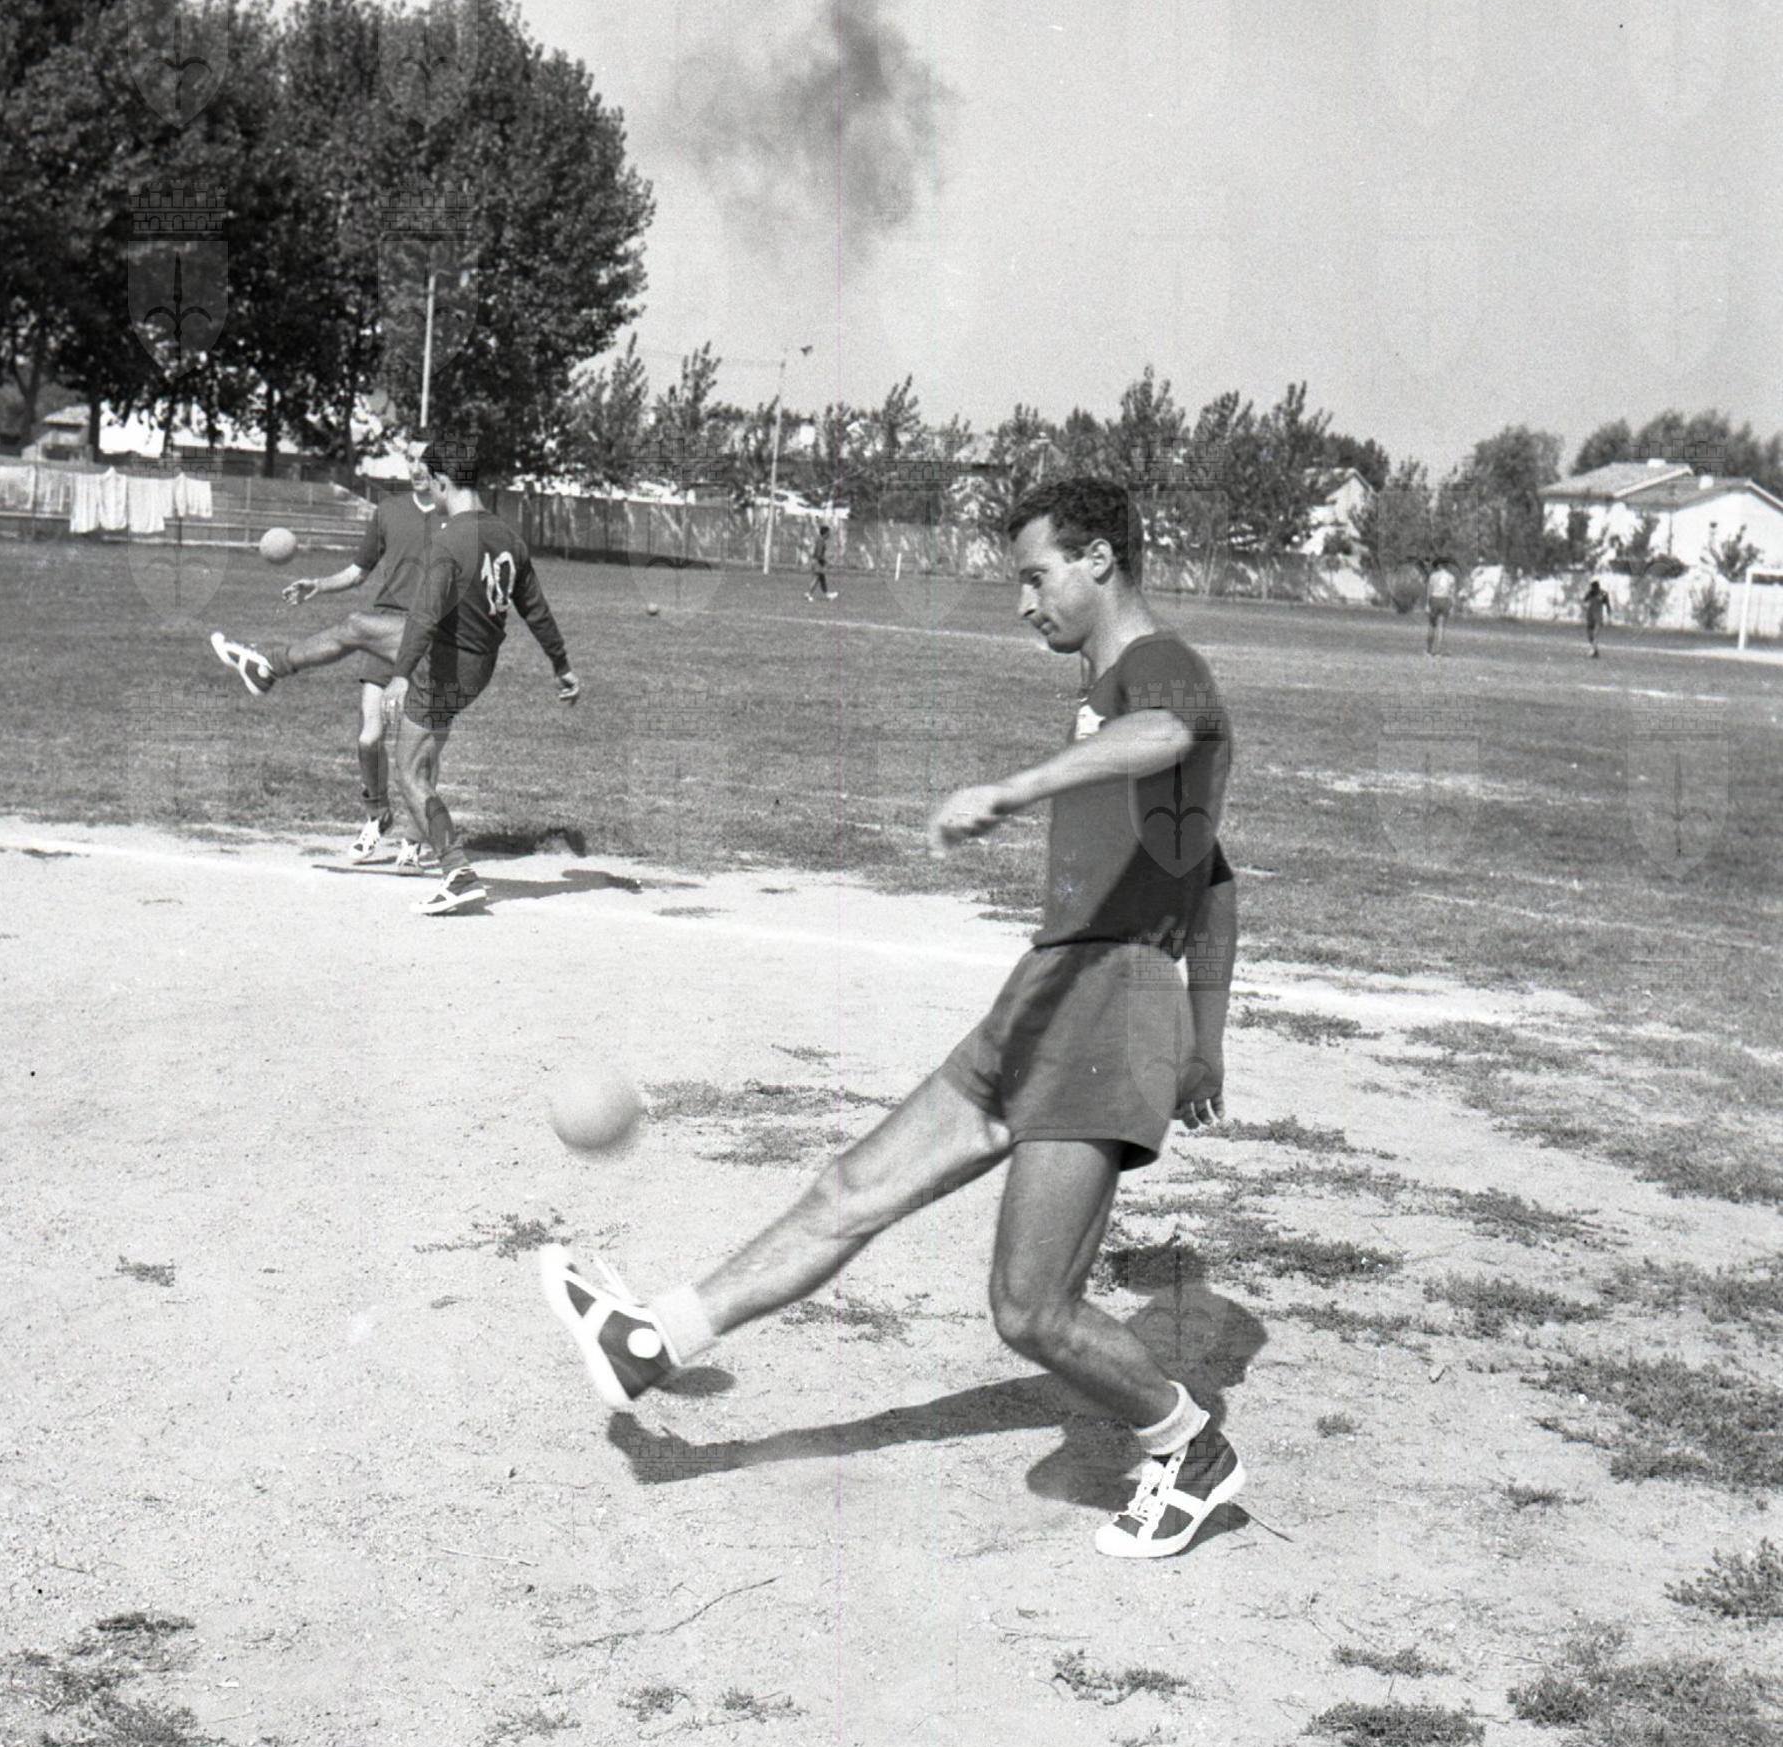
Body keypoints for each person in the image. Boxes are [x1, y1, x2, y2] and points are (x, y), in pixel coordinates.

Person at [543, 475, 1245, 1561]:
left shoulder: (1158, 667)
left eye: (1036, 576)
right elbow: (1218, 876)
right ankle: (656, 1339)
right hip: (1049, 989)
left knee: (1030, 1307)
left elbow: (1168, 728)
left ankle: (1185, 1445)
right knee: (853, 1187)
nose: (1023, 603)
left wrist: (1015, 789)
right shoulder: (1102, 689)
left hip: (1112, 1004)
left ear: (1100, 558)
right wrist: (1209, 1038)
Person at [207, 452, 445, 866]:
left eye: (425, 459)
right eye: (410, 458)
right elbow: (358, 571)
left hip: (428, 635)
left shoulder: (455, 516)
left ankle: (414, 837)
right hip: (381, 628)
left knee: (419, 747)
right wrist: (319, 584)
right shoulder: (389, 511)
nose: (416, 467)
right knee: (369, 738)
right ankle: (376, 815)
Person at [386, 439, 580, 916]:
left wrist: (400, 674)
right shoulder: (508, 536)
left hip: (445, 667)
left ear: (442, 482)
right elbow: (536, 609)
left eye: (429, 480)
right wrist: (561, 665)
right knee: (423, 764)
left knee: (409, 772)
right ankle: (446, 861)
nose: (427, 488)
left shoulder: (449, 539)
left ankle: (457, 873)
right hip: (480, 667)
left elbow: (424, 616)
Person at [1424, 556, 1457, 656]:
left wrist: (1427, 604)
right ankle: (1438, 651)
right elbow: (1452, 593)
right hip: (1445, 600)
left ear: (1439, 565)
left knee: (1432, 625)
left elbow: (1429, 591)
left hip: (1435, 599)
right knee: (1441, 627)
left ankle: (1429, 650)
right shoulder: (1451, 577)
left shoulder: (1433, 576)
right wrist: (1452, 606)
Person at [806, 521, 837, 602]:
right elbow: (819, 554)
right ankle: (809, 594)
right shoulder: (821, 541)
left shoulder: (819, 539)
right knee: (816, 578)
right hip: (817, 562)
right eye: (828, 533)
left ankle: (828, 595)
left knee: (822, 578)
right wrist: (827, 562)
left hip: (816, 561)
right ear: (825, 533)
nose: (829, 535)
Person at [1583, 577, 1612, 659]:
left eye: (1594, 587)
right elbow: (1584, 601)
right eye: (1592, 587)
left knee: (1595, 634)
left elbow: (1607, 605)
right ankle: (1595, 650)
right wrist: (1584, 607)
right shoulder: (1590, 593)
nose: (1593, 589)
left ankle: (1593, 651)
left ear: (1597, 586)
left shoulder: (1603, 594)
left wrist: (1609, 616)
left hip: (1598, 617)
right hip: (1590, 616)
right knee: (1590, 636)